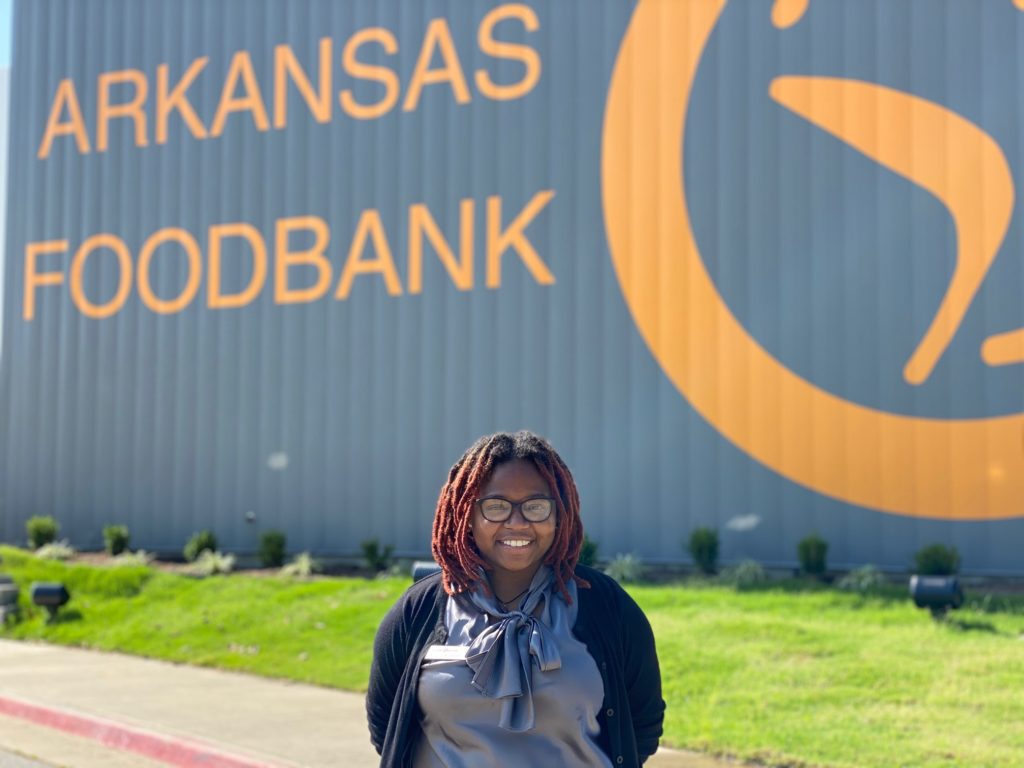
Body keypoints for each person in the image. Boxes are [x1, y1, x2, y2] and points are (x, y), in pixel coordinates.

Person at [366, 430, 664, 767]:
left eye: (536, 507)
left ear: (559, 514)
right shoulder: (417, 610)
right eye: (496, 507)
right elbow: (386, 725)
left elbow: (642, 724)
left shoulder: (606, 606)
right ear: (467, 516)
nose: (518, 522)